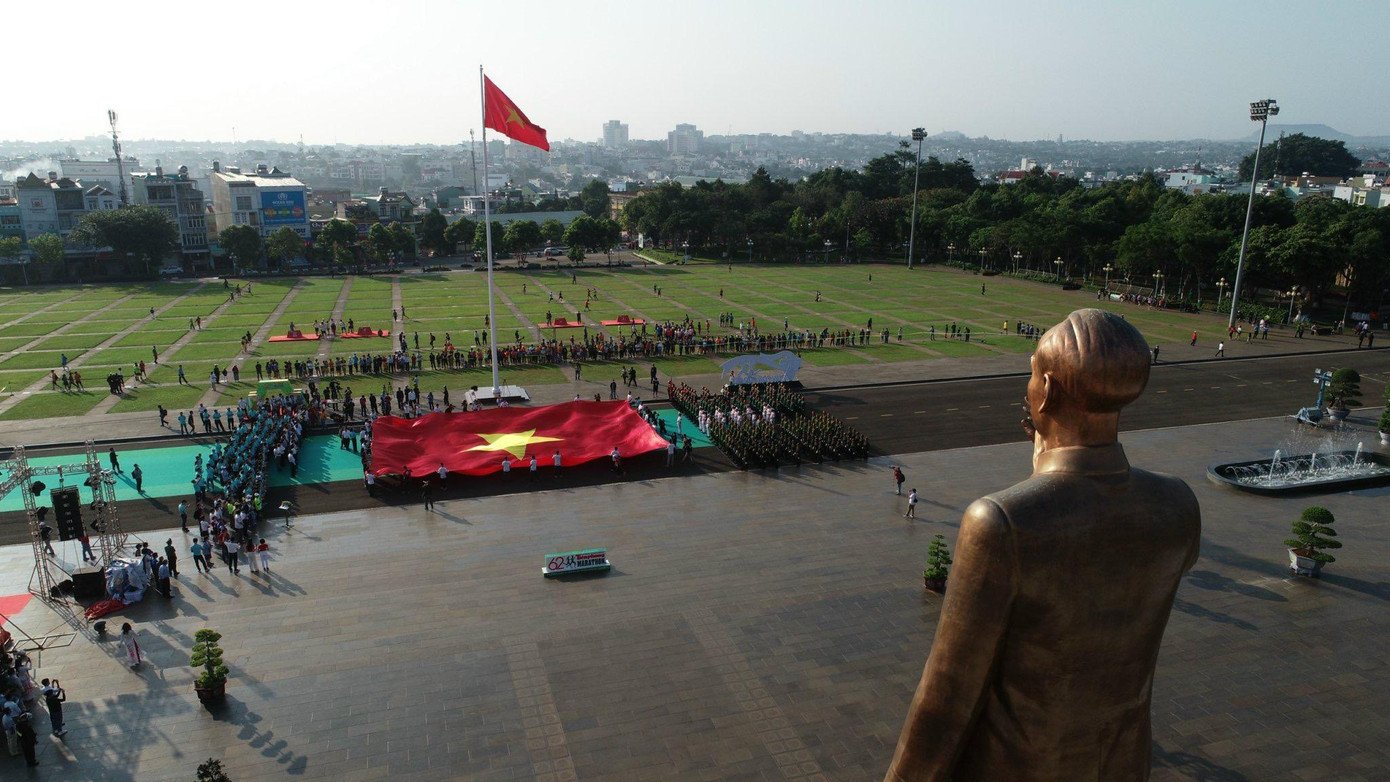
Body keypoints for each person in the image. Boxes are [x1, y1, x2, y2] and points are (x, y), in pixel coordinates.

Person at [885, 309, 1201, 781]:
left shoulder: (1002, 522)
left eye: (1032, 373)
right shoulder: (1178, 504)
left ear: (1048, 390)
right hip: (1120, 765)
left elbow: (947, 698)